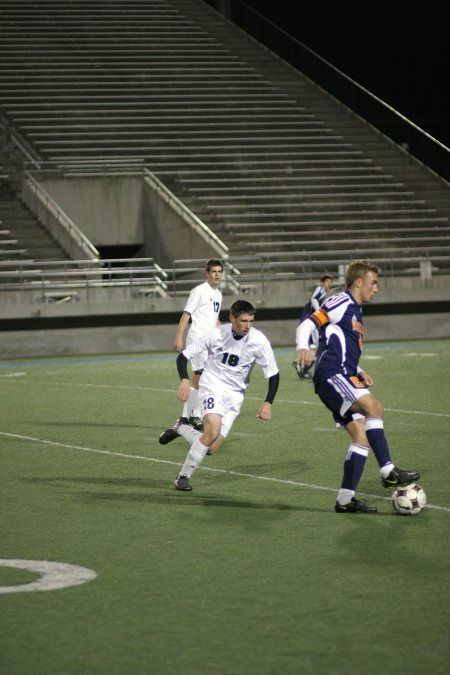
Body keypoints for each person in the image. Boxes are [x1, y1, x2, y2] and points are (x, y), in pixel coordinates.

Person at [297, 259, 420, 513]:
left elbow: (344, 347)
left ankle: (345, 500)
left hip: (344, 373)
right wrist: (302, 347)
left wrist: (360, 371)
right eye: (373, 283)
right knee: (374, 407)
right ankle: (387, 471)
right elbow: (308, 323)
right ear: (359, 282)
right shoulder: (341, 301)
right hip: (333, 373)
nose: (376, 288)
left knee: (361, 438)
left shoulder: (356, 311)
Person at [162, 299, 280, 491]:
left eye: (251, 321)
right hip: (212, 386)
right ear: (232, 318)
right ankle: (182, 477)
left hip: (235, 397)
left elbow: (274, 374)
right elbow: (183, 357)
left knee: (211, 448)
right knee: (213, 430)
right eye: (243, 321)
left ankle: (182, 427)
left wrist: (268, 403)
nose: (248, 326)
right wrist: (184, 379)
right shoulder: (216, 334)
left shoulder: (259, 341)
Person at [160, 258, 224, 439]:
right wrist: (179, 337)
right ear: (207, 273)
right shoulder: (199, 291)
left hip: (210, 342)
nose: (217, 275)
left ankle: (193, 416)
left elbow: (214, 319)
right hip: (197, 339)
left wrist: (223, 333)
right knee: (200, 376)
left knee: (203, 380)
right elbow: (186, 315)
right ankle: (185, 418)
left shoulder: (218, 294)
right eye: (214, 271)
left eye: (219, 271)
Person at [293, 274, 334, 379]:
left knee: (315, 348)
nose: (329, 284)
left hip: (312, 323)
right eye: (327, 281)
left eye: (330, 282)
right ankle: (302, 366)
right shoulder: (320, 289)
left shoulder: (323, 292)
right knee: (316, 348)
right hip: (310, 322)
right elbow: (313, 299)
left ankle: (301, 365)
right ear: (322, 283)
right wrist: (319, 311)